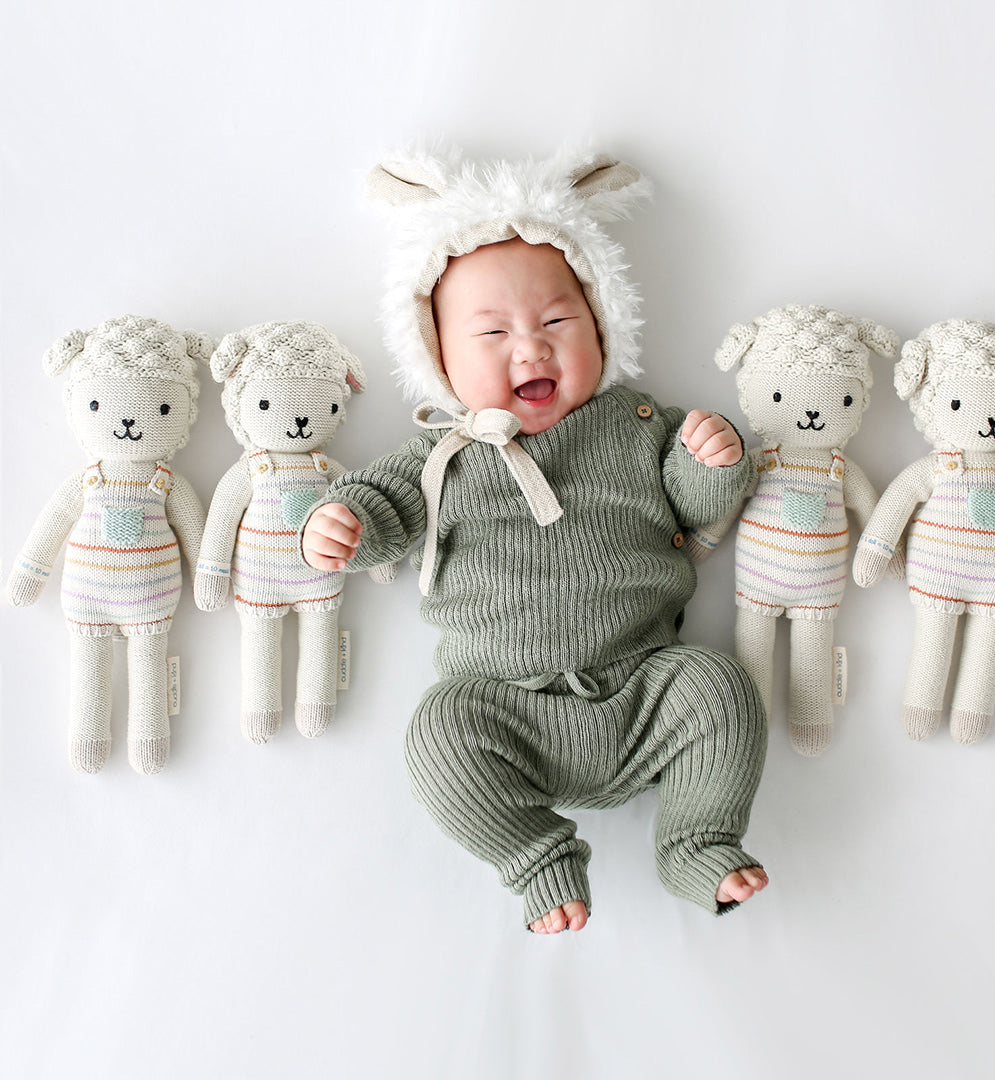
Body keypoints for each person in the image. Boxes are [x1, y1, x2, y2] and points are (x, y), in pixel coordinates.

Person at [301, 149, 769, 933]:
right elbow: (383, 509)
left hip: (644, 687)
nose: (531, 348)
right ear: (439, 357)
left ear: (602, 323)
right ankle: (538, 858)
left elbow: (694, 509)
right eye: (492, 333)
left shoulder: (634, 423)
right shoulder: (442, 457)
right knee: (436, 734)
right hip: (504, 708)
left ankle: (697, 842)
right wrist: (344, 523)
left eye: (557, 322)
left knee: (720, 688)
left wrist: (710, 460)